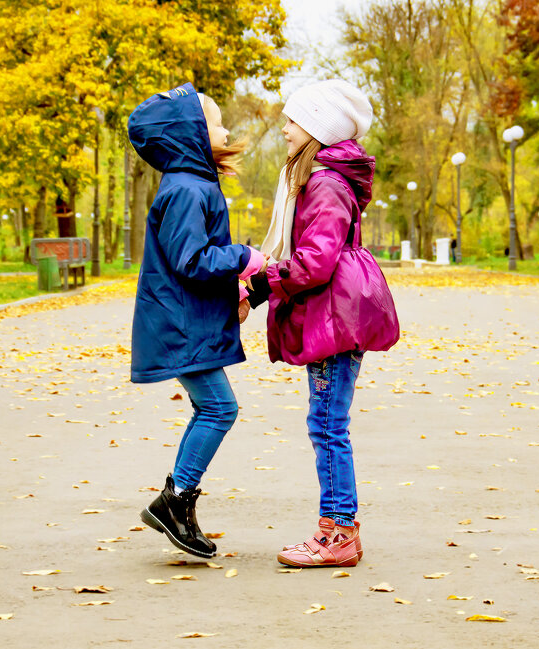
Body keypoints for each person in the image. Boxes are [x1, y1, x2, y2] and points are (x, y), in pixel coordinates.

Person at [246, 79, 400, 568]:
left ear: (316, 128)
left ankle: (337, 534)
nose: (286, 130)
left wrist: (260, 285)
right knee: (327, 422)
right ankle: (339, 528)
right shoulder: (324, 179)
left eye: (293, 121)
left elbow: (315, 260)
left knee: (328, 424)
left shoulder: (326, 183)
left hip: (335, 313)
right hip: (335, 311)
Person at [127, 83, 267, 558]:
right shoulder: (187, 188)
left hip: (187, 320)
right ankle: (175, 500)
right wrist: (246, 257)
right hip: (180, 324)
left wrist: (237, 292)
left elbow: (194, 262)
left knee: (212, 407)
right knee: (219, 408)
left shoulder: (194, 182)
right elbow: (192, 259)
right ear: (189, 132)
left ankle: (176, 499)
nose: (225, 129)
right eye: (216, 121)